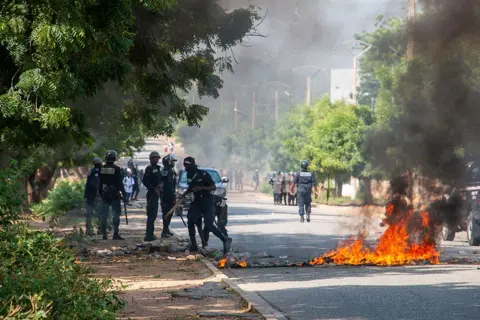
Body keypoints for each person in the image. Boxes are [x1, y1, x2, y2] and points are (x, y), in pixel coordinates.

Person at [183, 156, 232, 254]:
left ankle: (225, 239)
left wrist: (202, 188)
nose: (185, 167)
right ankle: (193, 245)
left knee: (209, 224)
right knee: (190, 220)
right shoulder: (189, 175)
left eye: (187, 165)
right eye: (185, 165)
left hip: (207, 201)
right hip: (197, 202)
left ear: (192, 165)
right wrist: (185, 194)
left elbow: (213, 187)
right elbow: (191, 187)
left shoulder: (203, 174)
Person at [99, 150, 126, 240]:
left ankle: (104, 234)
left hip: (105, 195)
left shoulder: (102, 169)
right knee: (116, 214)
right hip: (114, 195)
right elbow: (120, 183)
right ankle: (115, 233)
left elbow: (99, 183)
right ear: (114, 158)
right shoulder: (117, 169)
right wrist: (124, 193)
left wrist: (100, 194)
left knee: (104, 215)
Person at [142, 151, 162, 241]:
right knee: (150, 215)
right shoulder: (149, 168)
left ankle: (151, 234)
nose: (156, 159)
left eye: (157, 157)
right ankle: (148, 235)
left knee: (154, 215)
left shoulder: (158, 168)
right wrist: (153, 189)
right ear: (150, 159)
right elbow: (145, 181)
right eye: (154, 157)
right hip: (151, 194)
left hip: (156, 193)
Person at [159, 154, 177, 238]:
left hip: (164, 195)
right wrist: (173, 198)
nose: (174, 163)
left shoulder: (166, 170)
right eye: (173, 161)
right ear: (169, 162)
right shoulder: (169, 171)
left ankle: (166, 230)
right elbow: (169, 186)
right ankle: (165, 230)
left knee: (167, 213)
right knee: (167, 213)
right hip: (168, 196)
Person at [84, 156, 102, 236]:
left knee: (89, 214)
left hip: (89, 195)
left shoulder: (91, 171)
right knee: (99, 213)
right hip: (95, 196)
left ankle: (88, 230)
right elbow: (96, 184)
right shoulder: (98, 171)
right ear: (100, 163)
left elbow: (88, 184)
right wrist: (99, 195)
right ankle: (100, 229)